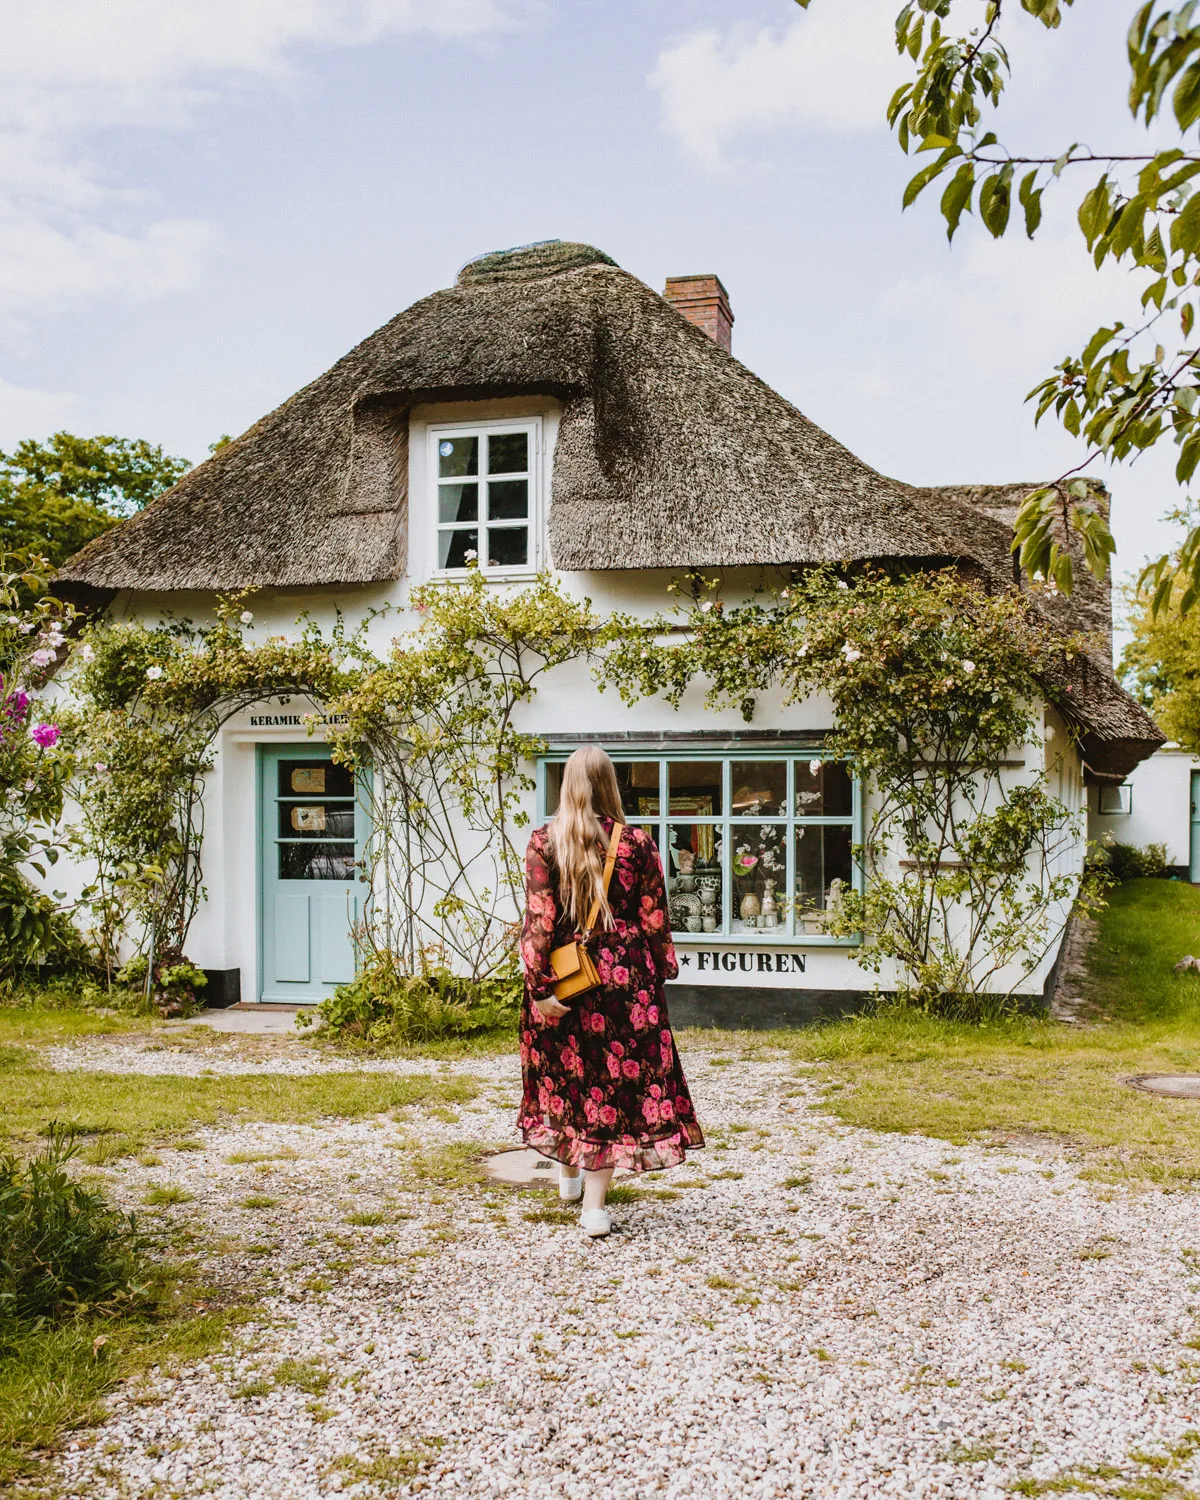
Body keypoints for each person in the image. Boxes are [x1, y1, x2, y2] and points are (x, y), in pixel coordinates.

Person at [517, 746, 704, 1238]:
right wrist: (659, 970)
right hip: (625, 983)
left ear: (567, 783)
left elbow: (539, 919)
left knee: (566, 1076)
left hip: (566, 978)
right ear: (609, 784)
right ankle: (593, 1208)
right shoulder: (637, 843)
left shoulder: (544, 841)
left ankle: (568, 1176)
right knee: (610, 1088)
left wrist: (539, 988)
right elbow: (655, 916)